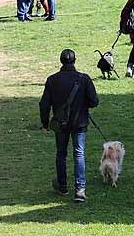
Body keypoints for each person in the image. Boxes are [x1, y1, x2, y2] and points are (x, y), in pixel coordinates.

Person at [40, 49, 99, 202]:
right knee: (79, 153)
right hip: (79, 123)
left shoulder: (52, 80)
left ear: (61, 61)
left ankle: (62, 186)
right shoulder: (84, 79)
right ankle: (80, 189)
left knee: (61, 154)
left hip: (60, 124)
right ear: (75, 60)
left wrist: (45, 124)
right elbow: (94, 102)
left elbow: (44, 104)